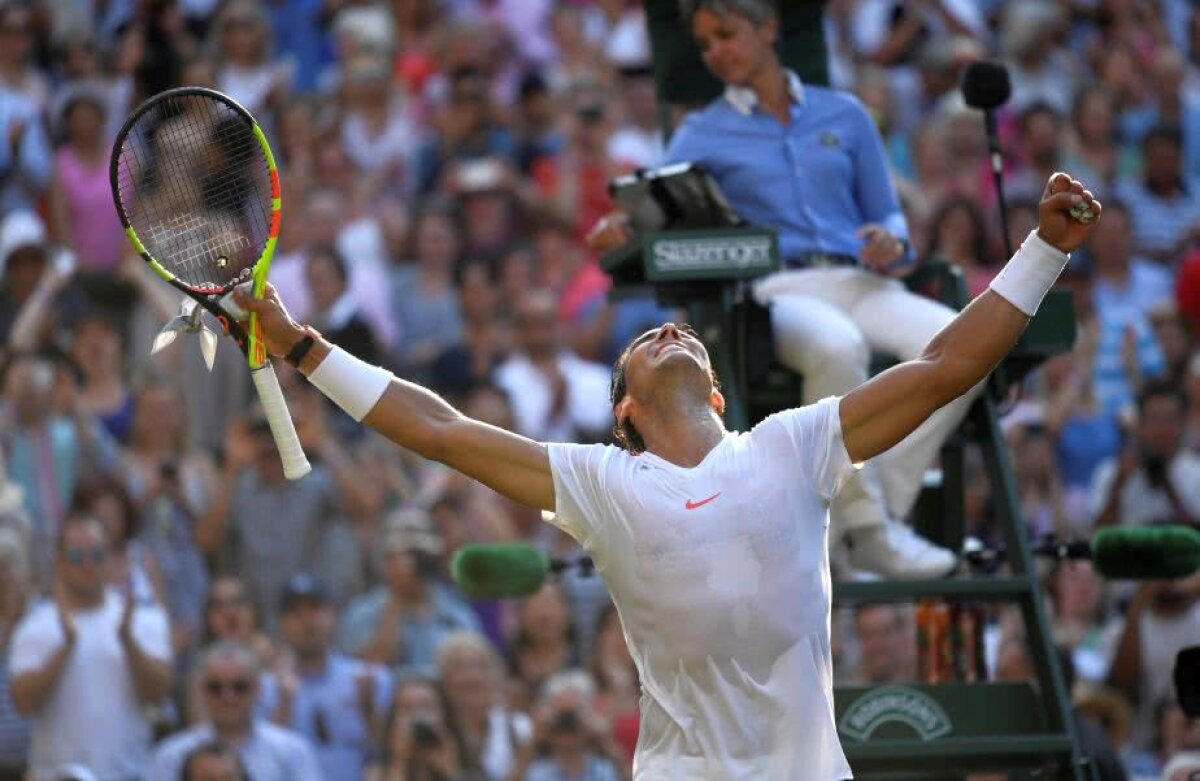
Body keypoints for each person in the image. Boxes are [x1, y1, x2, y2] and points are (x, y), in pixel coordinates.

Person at [235, 168, 1100, 779]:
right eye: (643, 341)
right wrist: (305, 347)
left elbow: (946, 365)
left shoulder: (791, 444)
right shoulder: (604, 483)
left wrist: (1042, 252)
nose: (668, 331)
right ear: (625, 414)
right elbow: (440, 430)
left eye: (681, 336)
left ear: (718, 391)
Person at [586, 0, 972, 580]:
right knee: (838, 347)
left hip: (860, 279)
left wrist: (889, 241)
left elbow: (890, 218)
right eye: (706, 44)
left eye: (726, 35)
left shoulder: (844, 114)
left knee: (965, 346)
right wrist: (624, 226)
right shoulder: (700, 130)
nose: (716, 52)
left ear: (767, 28)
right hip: (776, 290)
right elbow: (656, 208)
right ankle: (869, 531)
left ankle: (872, 514)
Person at [8, 515, 172, 781]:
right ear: (60, 562)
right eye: (76, 555)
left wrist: (128, 640)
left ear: (110, 557)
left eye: (96, 554)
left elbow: (158, 692)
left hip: (128, 773)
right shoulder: (34, 626)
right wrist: (64, 648)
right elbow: (22, 703)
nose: (88, 564)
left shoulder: (143, 619)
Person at [262, 573, 392, 781]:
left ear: (333, 616)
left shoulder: (370, 679)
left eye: (315, 609)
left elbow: (390, 756)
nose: (307, 621)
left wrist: (368, 711)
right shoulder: (264, 689)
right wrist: (284, 707)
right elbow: (259, 762)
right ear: (282, 624)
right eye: (296, 613)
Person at [145, 640, 321, 781]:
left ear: (258, 689)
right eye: (215, 687)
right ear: (201, 690)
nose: (228, 697)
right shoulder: (172, 756)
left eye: (240, 687)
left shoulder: (292, 752)